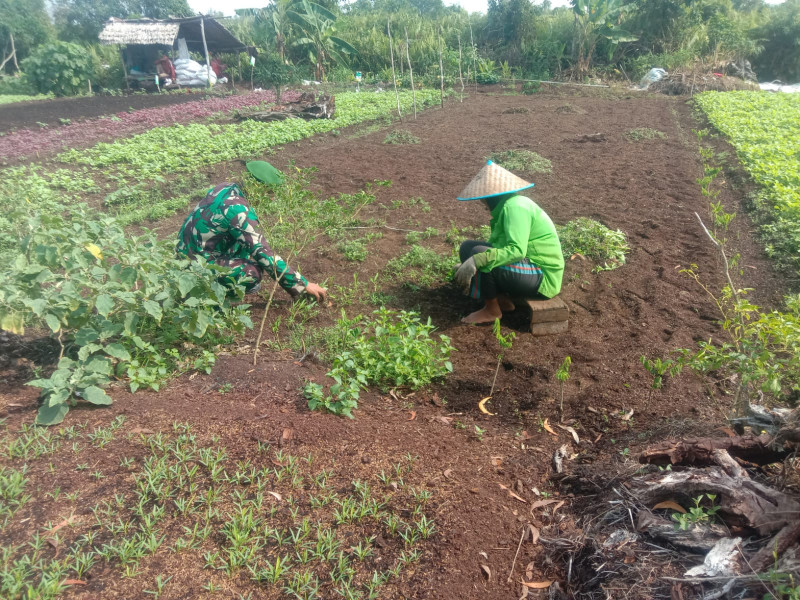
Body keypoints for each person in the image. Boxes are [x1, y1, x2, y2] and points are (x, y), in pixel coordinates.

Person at [176, 161, 327, 302]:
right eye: (269, 193)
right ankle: (211, 292)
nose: (270, 198)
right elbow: (264, 254)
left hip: (183, 254)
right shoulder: (238, 211)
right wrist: (303, 285)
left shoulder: (225, 187)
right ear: (259, 188)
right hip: (197, 265)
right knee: (252, 272)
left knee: (244, 246)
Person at [454, 160, 564, 324]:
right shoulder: (507, 207)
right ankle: (502, 299)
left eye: (483, 199)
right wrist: (469, 259)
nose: (482, 203)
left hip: (541, 275)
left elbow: (517, 251)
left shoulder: (516, 207)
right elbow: (498, 245)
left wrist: (478, 259)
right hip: (526, 265)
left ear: (491, 196)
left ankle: (492, 310)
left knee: (480, 254)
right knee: (468, 248)